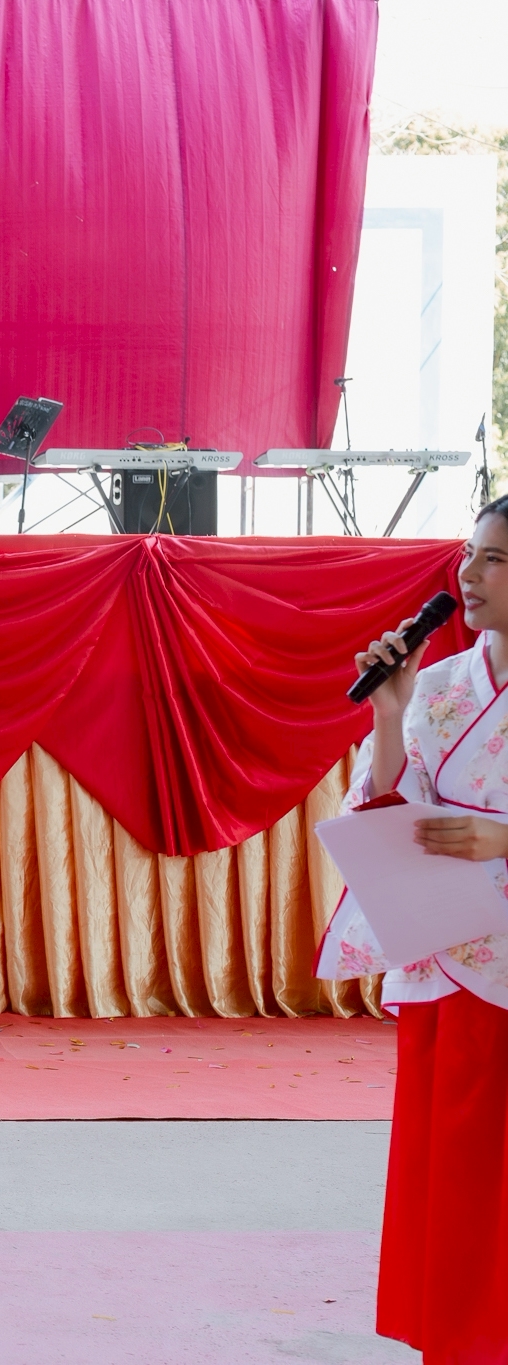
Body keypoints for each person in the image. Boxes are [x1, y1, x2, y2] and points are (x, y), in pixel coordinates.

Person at [320, 496, 508, 1362]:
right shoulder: (437, 686)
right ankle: (460, 1342)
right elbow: (384, 806)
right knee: (454, 1175)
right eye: (470, 554)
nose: (469, 574)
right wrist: (389, 714)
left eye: (495, 559)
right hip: (448, 952)